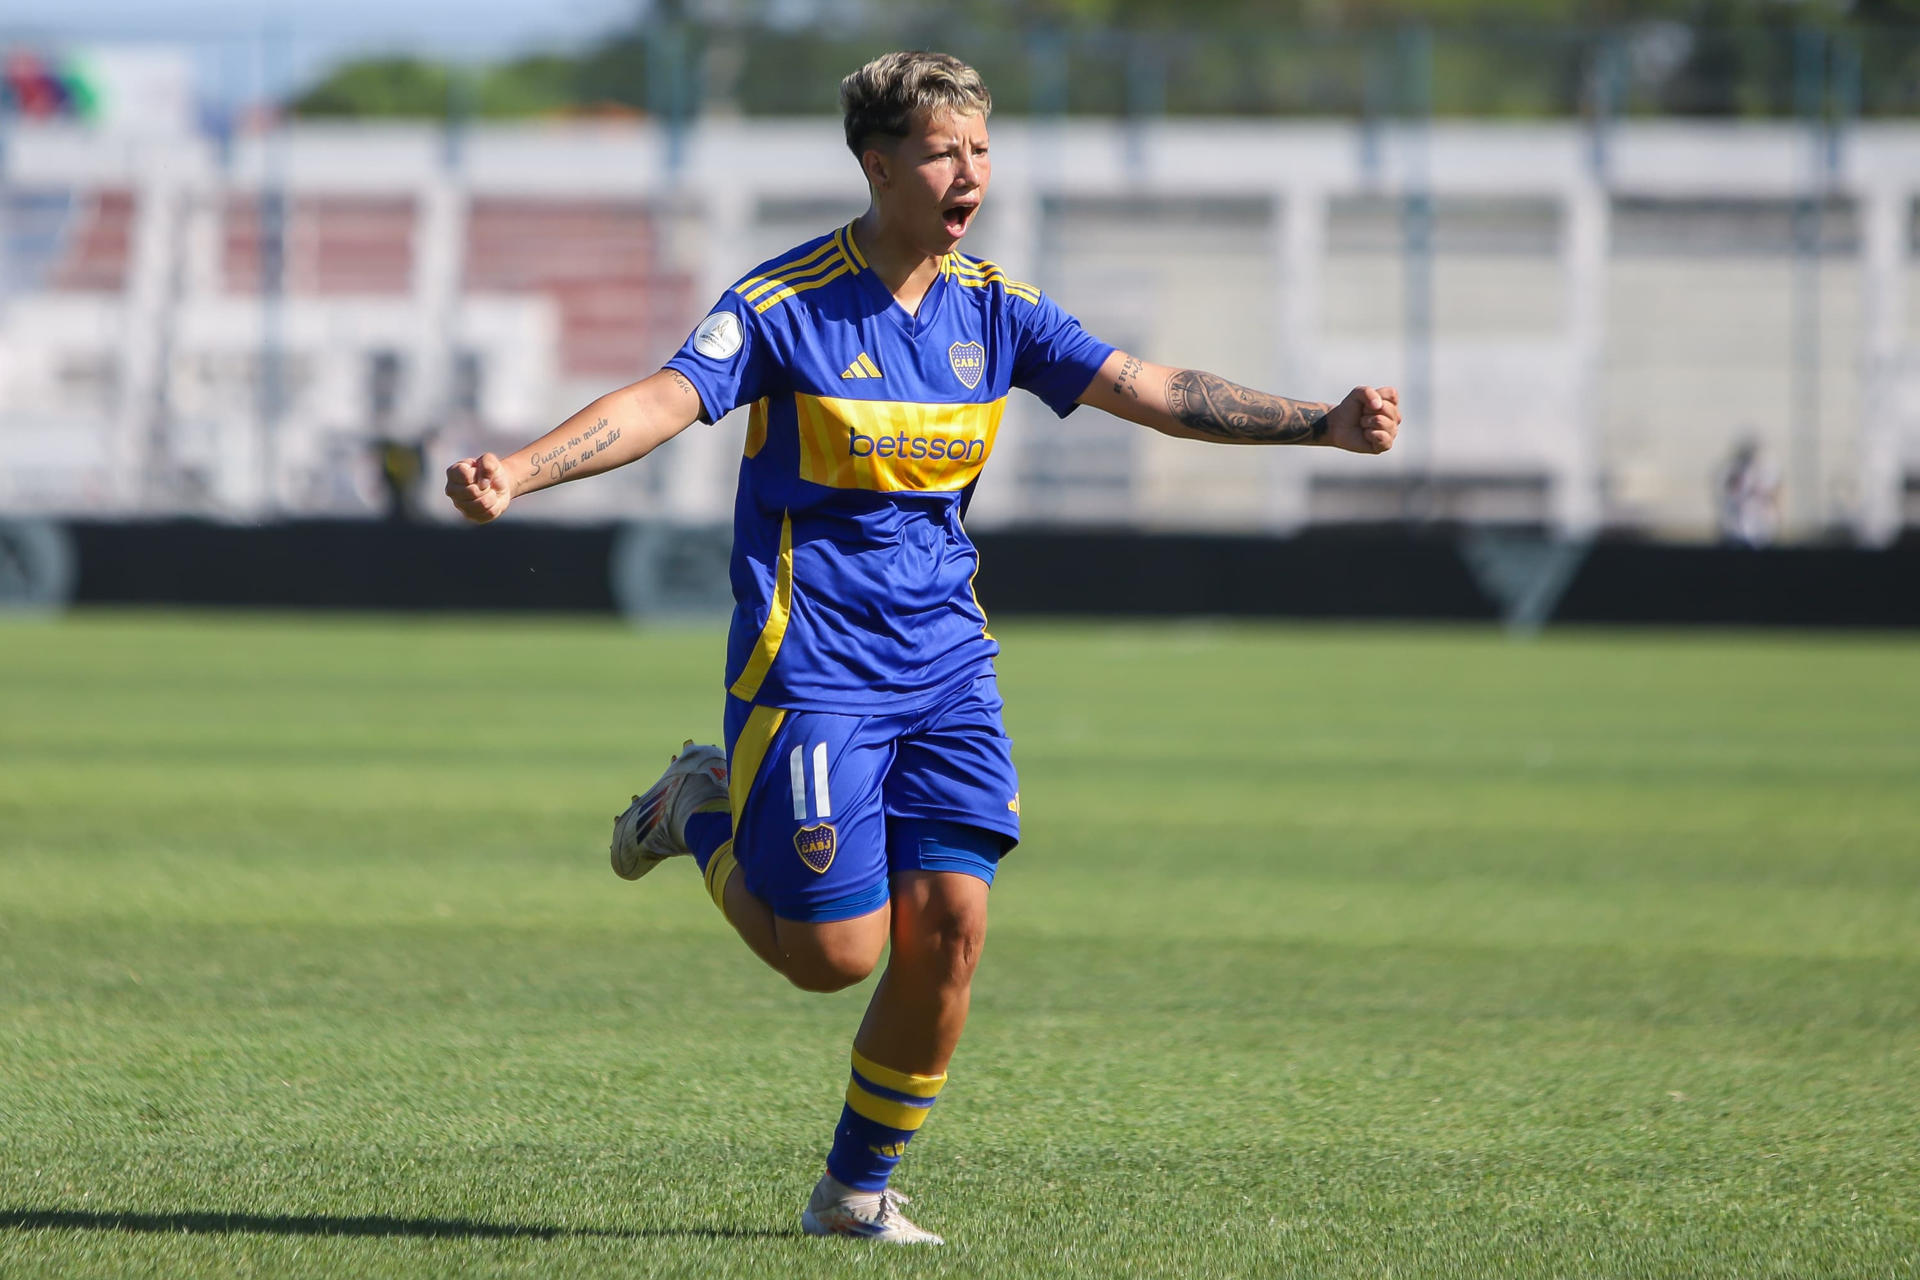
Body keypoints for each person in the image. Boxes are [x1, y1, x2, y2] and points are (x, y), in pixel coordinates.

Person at [445, 50, 1400, 1245]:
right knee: (836, 956)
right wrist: (519, 470)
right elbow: (664, 398)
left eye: (984, 150)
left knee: (951, 922)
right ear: (879, 163)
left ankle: (854, 1192)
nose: (972, 175)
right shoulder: (784, 303)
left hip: (946, 662)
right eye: (947, 152)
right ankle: (698, 801)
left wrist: (1319, 423)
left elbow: (1146, 385)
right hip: (814, 668)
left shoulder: (997, 308)